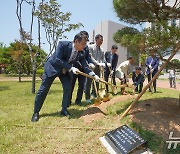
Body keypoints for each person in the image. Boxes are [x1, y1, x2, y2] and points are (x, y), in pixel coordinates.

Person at [31, 33, 100, 122]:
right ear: (76, 41)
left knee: (68, 87)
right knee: (43, 90)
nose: (84, 46)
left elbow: (85, 66)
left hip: (64, 72)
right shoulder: (62, 44)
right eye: (83, 44)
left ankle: (64, 109)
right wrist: (70, 68)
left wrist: (93, 75)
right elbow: (57, 59)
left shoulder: (81, 52)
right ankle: (36, 112)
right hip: (53, 68)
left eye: (85, 44)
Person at [69, 31, 94, 106]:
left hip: (83, 69)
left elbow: (87, 57)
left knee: (81, 85)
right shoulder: (75, 45)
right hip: (74, 68)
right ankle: (68, 101)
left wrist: (90, 63)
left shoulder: (86, 47)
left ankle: (78, 100)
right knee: (71, 85)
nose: (85, 41)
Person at [85, 34, 105, 103]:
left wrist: (102, 64)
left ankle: (95, 94)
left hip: (98, 68)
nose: (101, 41)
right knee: (89, 82)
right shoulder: (90, 47)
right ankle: (87, 98)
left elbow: (102, 58)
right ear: (96, 40)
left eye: (102, 40)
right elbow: (90, 57)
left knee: (97, 81)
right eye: (100, 40)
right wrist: (97, 63)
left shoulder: (102, 49)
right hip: (91, 67)